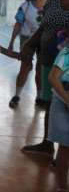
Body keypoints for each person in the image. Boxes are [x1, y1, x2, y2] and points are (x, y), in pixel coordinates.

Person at [20, 0, 69, 160]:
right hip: (49, 58)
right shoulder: (55, 0)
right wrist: (28, 43)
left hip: (67, 63)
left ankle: (64, 153)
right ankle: (48, 144)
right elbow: (43, 28)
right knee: (50, 102)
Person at [6, 0, 55, 107]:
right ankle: (16, 96)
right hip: (27, 40)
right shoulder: (26, 6)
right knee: (25, 67)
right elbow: (18, 24)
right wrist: (11, 42)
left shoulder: (53, 7)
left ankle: (39, 97)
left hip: (45, 41)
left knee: (40, 69)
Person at [48, 37, 69, 192]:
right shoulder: (66, 54)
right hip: (63, 98)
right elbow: (53, 77)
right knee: (65, 144)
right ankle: (62, 186)